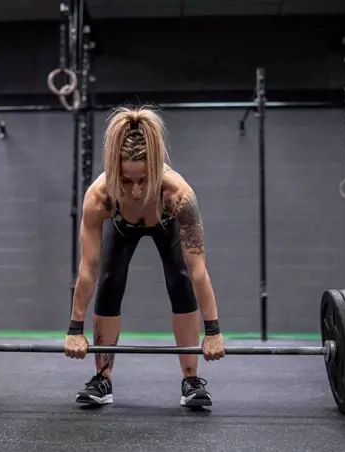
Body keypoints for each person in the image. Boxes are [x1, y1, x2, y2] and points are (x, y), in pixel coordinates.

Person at [63, 105, 225, 408]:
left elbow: (198, 270)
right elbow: (88, 269)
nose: (136, 191)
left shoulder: (178, 195)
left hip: (165, 224)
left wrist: (213, 330)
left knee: (180, 279)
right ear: (114, 173)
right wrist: (74, 329)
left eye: (143, 180)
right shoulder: (100, 197)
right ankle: (103, 379)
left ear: (154, 169)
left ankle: (190, 379)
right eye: (126, 181)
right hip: (122, 226)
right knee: (109, 280)